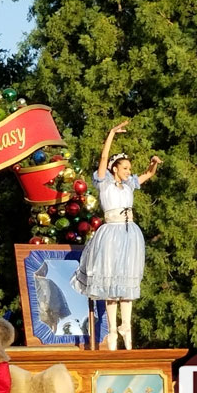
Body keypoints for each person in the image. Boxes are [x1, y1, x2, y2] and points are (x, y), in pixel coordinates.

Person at [71, 120, 162, 350]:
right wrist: (111, 133)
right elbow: (103, 160)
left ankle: (126, 327)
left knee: (127, 282)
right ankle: (112, 330)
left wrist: (154, 164)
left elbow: (148, 175)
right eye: (125, 168)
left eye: (130, 169)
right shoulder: (105, 184)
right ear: (115, 169)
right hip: (111, 233)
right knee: (110, 283)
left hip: (129, 233)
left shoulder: (129, 185)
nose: (129, 172)